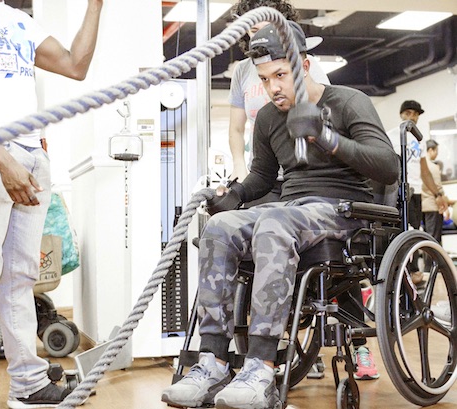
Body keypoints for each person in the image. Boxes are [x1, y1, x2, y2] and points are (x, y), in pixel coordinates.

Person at [162, 21, 399, 409]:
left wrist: (327, 137)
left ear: (303, 66)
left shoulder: (347, 101)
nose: (273, 88)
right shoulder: (270, 118)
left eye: (280, 75)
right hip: (290, 209)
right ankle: (212, 363)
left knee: (275, 222)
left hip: (344, 210)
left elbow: (387, 166)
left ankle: (260, 368)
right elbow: (262, 176)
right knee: (219, 227)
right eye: (264, 78)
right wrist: (236, 193)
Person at [0, 1, 103, 408]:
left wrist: (96, 4)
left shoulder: (20, 20)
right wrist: (2, 162)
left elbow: (76, 65)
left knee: (21, 278)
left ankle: (28, 384)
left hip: (32, 155)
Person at [228, 0, 330, 200]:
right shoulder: (242, 70)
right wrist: (238, 165)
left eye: (268, 27)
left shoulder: (304, 64)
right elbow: (236, 128)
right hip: (264, 174)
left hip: (303, 173)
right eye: (253, 30)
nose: (260, 35)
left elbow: (327, 111)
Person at [387, 101, 448, 284]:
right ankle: (406, 271)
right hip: (398, 189)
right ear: (401, 114)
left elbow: (424, 172)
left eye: (415, 114)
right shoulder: (391, 136)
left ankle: (413, 271)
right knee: (400, 231)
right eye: (408, 113)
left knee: (413, 231)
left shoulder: (418, 141)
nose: (412, 117)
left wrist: (438, 194)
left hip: (416, 192)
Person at [422, 140, 454, 243]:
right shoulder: (433, 167)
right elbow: (438, 189)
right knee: (434, 241)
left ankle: (428, 259)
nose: (437, 154)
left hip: (423, 207)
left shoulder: (419, 166)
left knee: (427, 239)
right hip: (434, 207)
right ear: (430, 150)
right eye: (436, 151)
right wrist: (446, 207)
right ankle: (434, 260)